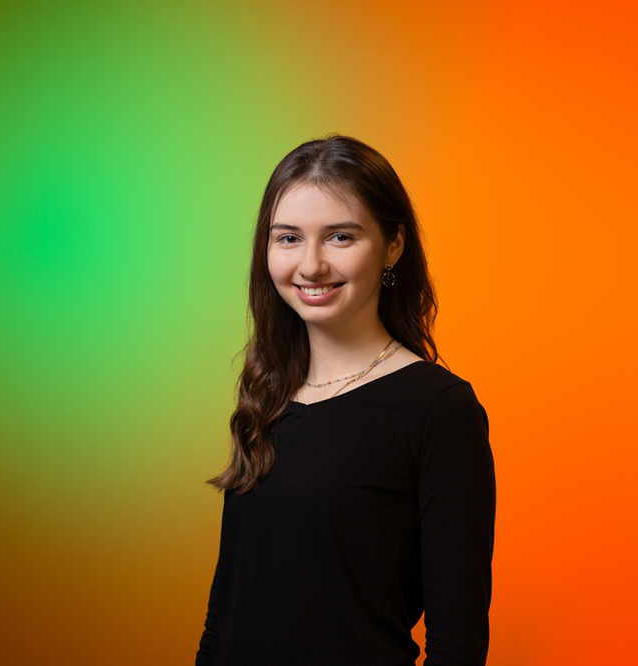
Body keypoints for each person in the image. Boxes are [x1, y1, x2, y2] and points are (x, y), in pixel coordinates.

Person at [195, 135, 495, 666]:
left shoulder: (440, 409)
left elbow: (458, 643)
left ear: (393, 245)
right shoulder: (266, 394)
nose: (310, 266)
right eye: (288, 238)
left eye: (340, 237)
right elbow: (227, 612)